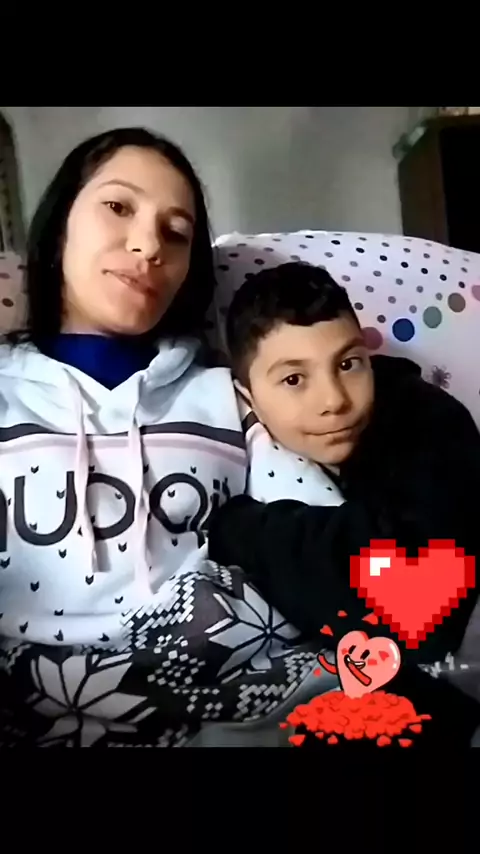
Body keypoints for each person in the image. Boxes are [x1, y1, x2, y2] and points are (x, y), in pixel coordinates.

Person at [0, 130, 322, 748]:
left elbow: (324, 541)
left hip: (232, 699)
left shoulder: (230, 395)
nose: (149, 246)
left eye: (176, 233)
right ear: (60, 224)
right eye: (118, 207)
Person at [208, 261, 480, 747]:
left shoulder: (427, 420)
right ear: (248, 396)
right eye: (294, 379)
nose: (334, 400)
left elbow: (418, 601)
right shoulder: (234, 449)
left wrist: (240, 530)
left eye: (349, 364)